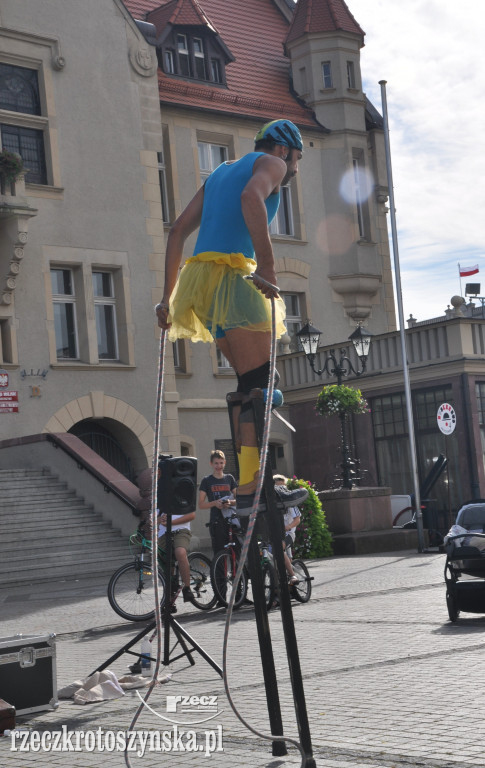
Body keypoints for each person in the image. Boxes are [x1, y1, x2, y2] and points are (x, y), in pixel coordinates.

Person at [156, 118, 308, 513]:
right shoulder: (270, 164)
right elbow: (250, 199)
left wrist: (167, 298)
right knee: (264, 383)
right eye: (297, 160)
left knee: (248, 387)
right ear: (284, 149)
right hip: (235, 278)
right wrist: (269, 269)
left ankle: (247, 489)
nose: (293, 170)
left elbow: (177, 232)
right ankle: (254, 487)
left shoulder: (220, 172)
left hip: (201, 287)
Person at [198, 449, 237, 555]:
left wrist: (230, 502)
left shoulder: (229, 478)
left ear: (225, 463)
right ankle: (220, 572)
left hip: (231, 520)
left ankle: (237, 572)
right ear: (211, 464)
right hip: (216, 520)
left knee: (237, 551)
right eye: (216, 463)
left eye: (221, 463)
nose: (219, 466)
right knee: (220, 553)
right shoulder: (206, 481)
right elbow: (201, 504)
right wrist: (215, 503)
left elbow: (239, 499)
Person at [274, 474, 301, 585]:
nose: (280, 490)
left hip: (288, 533)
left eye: (282, 488)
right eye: (277, 488)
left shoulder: (289, 503)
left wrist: (287, 527)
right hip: (275, 534)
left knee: (279, 548)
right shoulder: (272, 503)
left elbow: (297, 519)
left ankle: (292, 575)